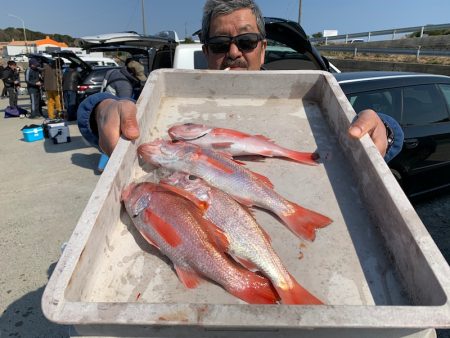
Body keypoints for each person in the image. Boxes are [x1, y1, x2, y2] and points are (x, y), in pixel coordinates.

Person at [78, 0, 403, 163]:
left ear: (262, 47)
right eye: (220, 45)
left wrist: (384, 130)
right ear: (206, 51)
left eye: (246, 41)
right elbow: (126, 113)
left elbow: (354, 121)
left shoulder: (301, 97)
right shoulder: (175, 100)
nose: (233, 52)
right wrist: (101, 108)